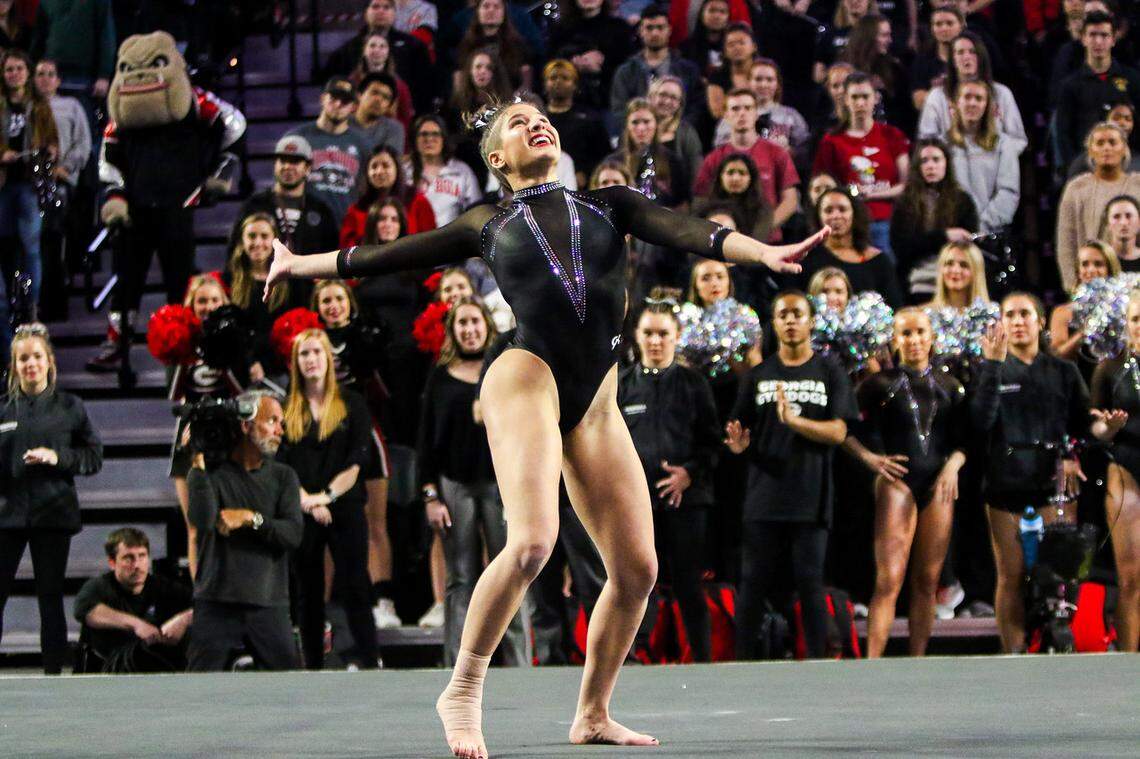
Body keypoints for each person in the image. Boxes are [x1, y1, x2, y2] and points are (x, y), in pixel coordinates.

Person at [264, 97, 825, 757]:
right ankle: (463, 688)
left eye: (541, 116)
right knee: (532, 543)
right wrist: (295, 264)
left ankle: (592, 712)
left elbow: (686, 229)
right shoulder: (486, 219)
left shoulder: (610, 202)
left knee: (639, 569)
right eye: (516, 122)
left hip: (595, 402)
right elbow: (384, 255)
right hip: (526, 377)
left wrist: (761, 251)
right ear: (496, 158)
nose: (535, 122)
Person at [726, 290, 859, 659]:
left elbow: (839, 432)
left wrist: (794, 421)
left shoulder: (829, 371)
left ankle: (816, 660)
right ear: (774, 322)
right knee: (753, 584)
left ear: (811, 320)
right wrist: (737, 446)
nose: (789, 320)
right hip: (763, 496)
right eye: (782, 314)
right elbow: (739, 433)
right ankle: (740, 664)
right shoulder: (758, 375)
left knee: (810, 583)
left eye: (797, 313)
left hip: (810, 496)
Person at [845, 308, 967, 656]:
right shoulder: (878, 384)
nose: (914, 341)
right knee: (889, 580)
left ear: (932, 337)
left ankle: (917, 661)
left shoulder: (950, 386)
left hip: (937, 484)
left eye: (920, 333)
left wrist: (953, 465)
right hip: (897, 483)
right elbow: (843, 429)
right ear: (894, 340)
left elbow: (967, 438)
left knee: (928, 582)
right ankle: (873, 663)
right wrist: (870, 459)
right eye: (906, 334)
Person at [973, 293, 1090, 653]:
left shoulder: (1064, 371)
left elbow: (1082, 424)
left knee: (1058, 575)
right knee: (1011, 575)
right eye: (1010, 315)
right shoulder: (989, 368)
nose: (1018, 321)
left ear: (1041, 322)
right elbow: (980, 422)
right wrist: (992, 367)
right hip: (1006, 485)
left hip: (1051, 486)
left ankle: (1057, 643)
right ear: (1001, 323)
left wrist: (1072, 453)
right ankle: (1014, 654)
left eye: (1025, 314)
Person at [419, 297, 531, 665]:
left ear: (487, 325)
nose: (469, 330)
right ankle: (459, 665)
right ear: (453, 331)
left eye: (474, 322)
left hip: (503, 486)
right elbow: (426, 441)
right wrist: (430, 496)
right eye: (461, 324)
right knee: (461, 578)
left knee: (513, 573)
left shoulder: (505, 369)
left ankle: (520, 663)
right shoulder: (439, 377)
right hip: (454, 487)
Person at [618, 297, 720, 661]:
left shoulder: (694, 384)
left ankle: (702, 662)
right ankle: (631, 660)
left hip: (686, 504)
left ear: (677, 337)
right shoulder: (621, 385)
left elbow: (713, 443)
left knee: (689, 586)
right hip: (634, 506)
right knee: (632, 585)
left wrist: (689, 474)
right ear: (637, 336)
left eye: (663, 333)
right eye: (649, 333)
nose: (656, 341)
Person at [0, 323, 103, 674]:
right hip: (7, 515)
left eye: (36, 357)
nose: (31, 364)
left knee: (50, 597)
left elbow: (93, 457)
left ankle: (53, 675)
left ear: (50, 362)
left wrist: (58, 458)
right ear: (14, 365)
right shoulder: (3, 409)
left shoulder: (70, 407)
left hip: (53, 513)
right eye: (23, 358)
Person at [277, 329, 380, 669]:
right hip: (302, 508)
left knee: (355, 585)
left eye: (316, 353)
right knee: (307, 592)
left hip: (345, 505)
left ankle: (368, 658)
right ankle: (312, 666)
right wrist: (307, 501)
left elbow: (358, 460)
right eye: (304, 354)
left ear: (328, 359)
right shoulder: (286, 408)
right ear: (296, 363)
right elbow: (282, 464)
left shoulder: (353, 403)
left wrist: (327, 497)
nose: (311, 360)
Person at [185, 390, 304, 671]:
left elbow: (292, 534)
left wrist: (251, 518)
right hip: (216, 601)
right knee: (196, 690)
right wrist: (196, 466)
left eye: (281, 423)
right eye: (272, 421)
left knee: (291, 689)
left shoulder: (283, 476)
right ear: (245, 425)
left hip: (268, 603)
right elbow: (202, 521)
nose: (279, 430)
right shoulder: (210, 473)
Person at [311, 279, 398, 629]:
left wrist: (367, 359)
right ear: (317, 307)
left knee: (375, 520)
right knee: (324, 523)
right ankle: (321, 609)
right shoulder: (310, 343)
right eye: (326, 300)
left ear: (350, 303)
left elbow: (383, 390)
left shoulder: (367, 335)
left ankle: (384, 600)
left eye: (339, 299)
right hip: (324, 436)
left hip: (365, 431)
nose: (333, 305)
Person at [169, 275, 245, 578]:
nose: (208, 306)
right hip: (190, 433)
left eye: (214, 300)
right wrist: (182, 352)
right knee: (195, 525)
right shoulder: (179, 339)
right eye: (202, 301)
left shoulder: (236, 336)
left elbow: (242, 391)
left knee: (229, 520)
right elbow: (174, 394)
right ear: (192, 305)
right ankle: (201, 596)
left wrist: (223, 353)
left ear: (224, 303)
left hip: (230, 433)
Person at [1089, 289, 1140, 652]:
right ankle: (1128, 661)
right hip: (1126, 468)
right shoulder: (1110, 369)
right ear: (1126, 325)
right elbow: (1094, 427)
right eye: (1136, 319)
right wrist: (1109, 428)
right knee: (1131, 577)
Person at [813, 71, 909, 258]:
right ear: (845, 100)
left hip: (887, 219)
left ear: (875, 98)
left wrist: (872, 194)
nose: (860, 103)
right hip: (848, 221)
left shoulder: (892, 135)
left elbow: (906, 184)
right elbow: (821, 186)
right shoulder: (831, 141)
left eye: (865, 96)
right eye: (854, 97)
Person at [73, 528, 193, 673]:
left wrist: (184, 618)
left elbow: (204, 607)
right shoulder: (99, 586)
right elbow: (84, 610)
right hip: (107, 668)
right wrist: (137, 624)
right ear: (112, 562)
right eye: (128, 558)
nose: (136, 565)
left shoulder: (163, 587)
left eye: (142, 556)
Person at [1, 49, 58, 324]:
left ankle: (32, 307)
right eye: (9, 69)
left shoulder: (39, 107)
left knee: (31, 248)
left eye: (19, 69)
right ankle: (8, 304)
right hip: (2, 184)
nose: (14, 74)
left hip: (28, 184)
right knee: (5, 247)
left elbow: (53, 142)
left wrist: (46, 151)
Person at [693, 88, 800, 234]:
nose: (742, 113)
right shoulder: (714, 158)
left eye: (748, 108)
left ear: (756, 113)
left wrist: (761, 231)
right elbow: (700, 202)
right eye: (735, 108)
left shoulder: (777, 153)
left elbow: (790, 201)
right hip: (725, 244)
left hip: (768, 242)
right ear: (726, 115)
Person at [226, 213, 313, 380]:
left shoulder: (292, 280)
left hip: (283, 367)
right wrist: (250, 363)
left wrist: (266, 365)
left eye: (264, 236)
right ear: (242, 240)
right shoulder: (228, 280)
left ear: (275, 241)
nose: (258, 242)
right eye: (251, 236)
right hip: (243, 369)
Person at [1055, 122, 1140, 291]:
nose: (1106, 148)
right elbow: (1066, 241)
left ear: (1124, 148)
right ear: (1090, 150)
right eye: (1100, 143)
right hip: (1089, 282)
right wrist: (1073, 286)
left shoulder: (1138, 184)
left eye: (1112, 142)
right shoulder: (1077, 188)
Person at [891, 138, 978, 301]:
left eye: (936, 160)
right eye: (924, 161)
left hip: (955, 278)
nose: (930, 166)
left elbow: (970, 245)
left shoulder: (962, 200)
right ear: (918, 167)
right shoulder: (906, 203)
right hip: (916, 281)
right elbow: (902, 248)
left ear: (946, 163)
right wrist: (944, 236)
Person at [228, 134, 340, 256]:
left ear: (307, 168)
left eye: (294, 161)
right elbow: (235, 250)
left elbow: (331, 255)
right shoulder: (254, 205)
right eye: (283, 160)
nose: (287, 166)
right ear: (275, 164)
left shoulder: (321, 210)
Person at [917, 31, 1027, 153]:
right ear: (952, 59)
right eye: (960, 52)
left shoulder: (1002, 93)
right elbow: (927, 140)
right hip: (952, 166)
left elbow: (1018, 140)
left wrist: (995, 156)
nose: (966, 57)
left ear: (982, 56)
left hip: (993, 165)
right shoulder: (937, 96)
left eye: (972, 52)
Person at [1055, 11, 1140, 168]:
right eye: (1093, 35)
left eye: (1104, 35)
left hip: (1129, 165)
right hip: (1085, 166)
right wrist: (1076, 167)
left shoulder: (1133, 80)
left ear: (1113, 39)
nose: (1098, 41)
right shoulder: (1069, 86)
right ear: (1083, 39)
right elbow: (1063, 135)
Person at [285, 78, 374, 224]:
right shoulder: (297, 138)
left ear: (353, 107)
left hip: (345, 224)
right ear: (322, 99)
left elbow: (366, 190)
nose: (338, 105)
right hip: (305, 222)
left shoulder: (362, 144)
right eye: (333, 98)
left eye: (345, 101)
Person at [321, 0, 435, 114]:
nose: (381, 11)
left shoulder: (414, 47)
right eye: (375, 7)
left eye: (386, 7)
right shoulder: (347, 50)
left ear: (394, 13)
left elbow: (426, 87)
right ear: (366, 13)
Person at [797, 188, 903, 308]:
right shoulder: (806, 260)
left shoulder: (879, 261)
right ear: (819, 217)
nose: (836, 216)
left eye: (842, 209)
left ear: (854, 214)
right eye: (828, 211)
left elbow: (895, 307)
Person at [610, 6, 705, 129]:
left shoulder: (688, 70)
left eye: (660, 27)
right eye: (649, 28)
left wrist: (675, 129)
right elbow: (619, 110)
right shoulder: (625, 71)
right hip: (638, 137)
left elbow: (696, 108)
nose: (655, 33)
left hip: (678, 136)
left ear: (669, 30)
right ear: (640, 31)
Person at [945, 80, 1021, 235]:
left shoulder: (1003, 145)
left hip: (990, 234)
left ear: (988, 106)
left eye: (979, 98)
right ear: (956, 103)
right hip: (949, 235)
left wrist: (981, 226)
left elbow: (1008, 192)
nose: (972, 103)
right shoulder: (942, 144)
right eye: (967, 97)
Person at [714, 59, 811, 170]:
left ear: (777, 84)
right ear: (749, 82)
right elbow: (720, 148)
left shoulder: (791, 116)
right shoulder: (734, 113)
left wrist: (788, 151)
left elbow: (805, 152)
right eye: (758, 79)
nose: (764, 84)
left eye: (769, 80)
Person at [546, 0, 637, 113]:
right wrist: (571, 66)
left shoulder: (619, 28)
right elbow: (549, 65)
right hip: (570, 104)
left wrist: (602, 66)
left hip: (610, 102)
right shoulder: (559, 30)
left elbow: (629, 69)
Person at [342, 144, 436, 247]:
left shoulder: (418, 201)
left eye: (386, 165)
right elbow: (347, 250)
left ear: (397, 168)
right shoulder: (357, 208)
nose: (379, 171)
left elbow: (431, 242)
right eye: (374, 166)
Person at [607, 98, 690, 208]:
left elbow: (683, 204)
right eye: (635, 122)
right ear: (627, 126)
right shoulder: (614, 163)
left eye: (646, 122)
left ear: (656, 124)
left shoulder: (672, 161)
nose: (641, 128)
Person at [1048, 240, 1121, 366]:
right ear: (1078, 271)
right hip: (1078, 381)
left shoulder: (1125, 307)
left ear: (1110, 269)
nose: (1091, 270)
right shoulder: (1063, 312)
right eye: (1085, 264)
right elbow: (1057, 358)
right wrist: (1086, 330)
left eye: (1098, 264)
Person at [405, 114, 482, 226]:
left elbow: (476, 210)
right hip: (410, 239)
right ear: (415, 139)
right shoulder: (404, 170)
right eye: (423, 134)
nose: (429, 139)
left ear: (444, 139)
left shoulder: (462, 172)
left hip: (450, 239)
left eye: (435, 134)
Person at [841, 14, 913, 132]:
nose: (890, 40)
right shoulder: (844, 67)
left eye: (889, 35)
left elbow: (905, 112)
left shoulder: (894, 68)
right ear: (868, 37)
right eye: (884, 35)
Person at [455, 0, 533, 91]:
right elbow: (459, 78)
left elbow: (525, 80)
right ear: (477, 12)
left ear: (504, 12)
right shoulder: (466, 45)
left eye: (496, 6)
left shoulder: (517, 44)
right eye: (486, 6)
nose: (491, 10)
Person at [694, 152, 773, 243]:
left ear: (751, 178)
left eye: (742, 173)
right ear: (721, 176)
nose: (735, 178)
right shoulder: (703, 206)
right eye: (730, 172)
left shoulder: (762, 209)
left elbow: (758, 244)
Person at [349, 34, 415, 135]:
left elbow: (405, 118)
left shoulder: (400, 86)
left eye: (382, 46)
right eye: (372, 45)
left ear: (388, 52)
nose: (377, 50)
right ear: (364, 51)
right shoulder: (352, 82)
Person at [648, 75, 704, 189]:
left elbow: (696, 172)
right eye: (662, 95)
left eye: (674, 98)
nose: (667, 101)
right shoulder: (637, 127)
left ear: (680, 104)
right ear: (652, 97)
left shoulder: (687, 133)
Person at [910, 5, 965, 113]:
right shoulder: (922, 60)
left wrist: (935, 94)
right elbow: (918, 102)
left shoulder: (972, 58)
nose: (944, 28)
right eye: (938, 24)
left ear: (961, 26)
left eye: (949, 23)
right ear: (932, 29)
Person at [705, 22, 759, 120]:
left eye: (741, 42)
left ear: (754, 47)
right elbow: (717, 113)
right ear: (725, 52)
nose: (737, 47)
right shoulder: (717, 77)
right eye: (731, 44)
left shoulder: (766, 73)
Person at [352, 71, 407, 153]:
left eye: (385, 97)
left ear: (388, 106)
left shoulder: (394, 129)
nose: (379, 100)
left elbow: (389, 162)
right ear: (359, 95)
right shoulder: (341, 121)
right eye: (374, 92)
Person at [1100, 194, 1140, 271]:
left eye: (1129, 216)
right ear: (1108, 223)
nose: (1123, 222)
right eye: (1116, 216)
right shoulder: (1097, 259)